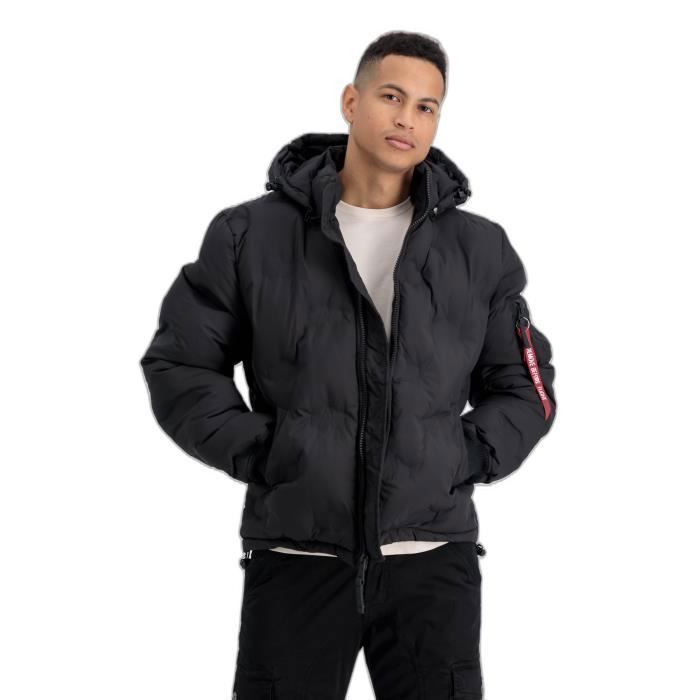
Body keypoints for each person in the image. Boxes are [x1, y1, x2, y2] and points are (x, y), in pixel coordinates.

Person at [140, 30, 557, 700]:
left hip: (431, 563)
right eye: (392, 97)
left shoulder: (479, 249)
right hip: (297, 558)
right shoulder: (251, 236)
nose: (407, 118)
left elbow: (525, 385)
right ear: (351, 102)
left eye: (427, 107)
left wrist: (463, 455)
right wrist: (270, 452)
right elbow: (181, 364)